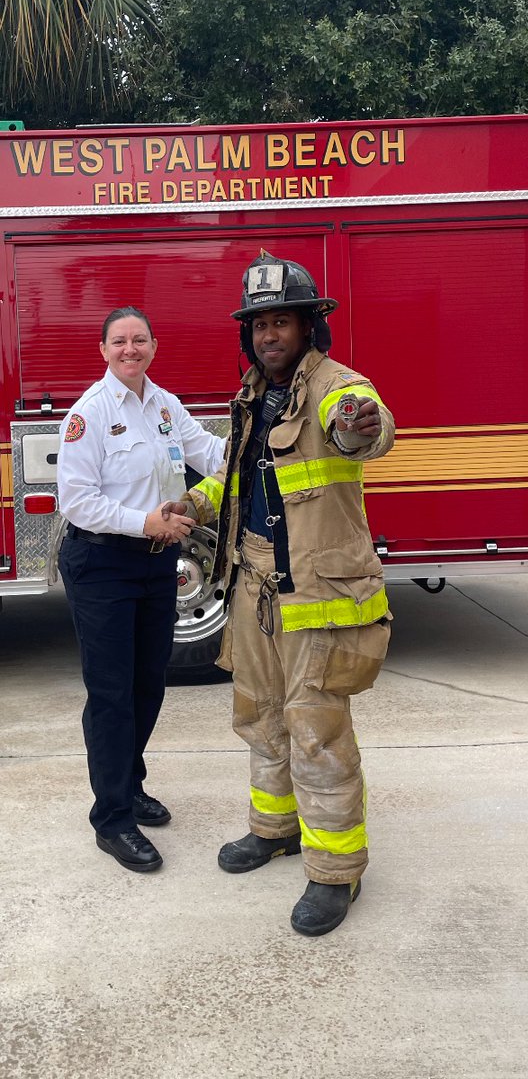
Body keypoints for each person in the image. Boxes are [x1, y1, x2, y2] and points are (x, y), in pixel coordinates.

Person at [163, 250, 395, 935]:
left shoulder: (335, 386)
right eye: (259, 324)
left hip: (316, 596)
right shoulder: (251, 396)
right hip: (252, 584)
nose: (269, 335)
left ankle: (334, 874)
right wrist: (196, 507)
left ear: (307, 327)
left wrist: (359, 421)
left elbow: (366, 429)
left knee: (315, 732)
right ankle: (274, 828)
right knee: (260, 720)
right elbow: (237, 481)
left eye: (282, 322)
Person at [57, 306, 226, 874]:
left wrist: (262, 441)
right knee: (111, 694)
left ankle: (129, 787)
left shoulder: (164, 406)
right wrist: (143, 523)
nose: (130, 350)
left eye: (140, 340)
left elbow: (208, 453)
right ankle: (111, 820)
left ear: (155, 346)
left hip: (157, 566)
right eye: (119, 342)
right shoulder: (89, 414)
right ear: (103, 350)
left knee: (148, 685)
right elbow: (77, 502)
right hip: (102, 563)